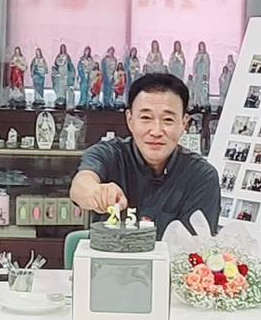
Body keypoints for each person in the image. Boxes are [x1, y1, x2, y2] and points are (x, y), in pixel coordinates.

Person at [70, 72, 220, 234]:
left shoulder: (201, 175)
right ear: (130, 120)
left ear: (184, 124)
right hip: (112, 251)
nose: (156, 131)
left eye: (168, 120)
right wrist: (97, 193)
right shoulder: (108, 154)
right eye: (146, 118)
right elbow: (81, 185)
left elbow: (197, 243)